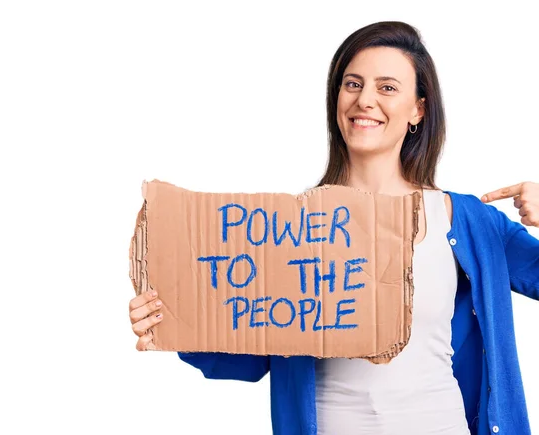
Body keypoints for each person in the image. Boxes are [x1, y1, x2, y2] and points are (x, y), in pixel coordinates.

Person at [128, 21, 539, 435]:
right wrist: (173, 318)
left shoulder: (469, 222)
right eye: (353, 84)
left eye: (388, 88)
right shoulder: (291, 229)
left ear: (419, 108)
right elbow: (251, 354)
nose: (365, 101)